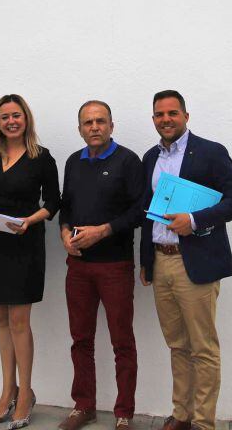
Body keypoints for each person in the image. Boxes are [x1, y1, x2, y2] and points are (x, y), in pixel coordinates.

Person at [138, 90, 232, 430]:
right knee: (177, 345)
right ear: (153, 119)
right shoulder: (149, 158)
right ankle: (181, 414)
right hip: (161, 260)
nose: (166, 119)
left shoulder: (211, 152)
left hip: (195, 262)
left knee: (203, 348)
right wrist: (145, 260)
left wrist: (196, 219)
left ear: (186, 115)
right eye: (159, 114)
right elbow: (147, 212)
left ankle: (203, 422)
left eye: (172, 113)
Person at [0, 94, 60, 430]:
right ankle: (8, 389)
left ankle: (26, 394)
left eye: (16, 115)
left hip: (24, 244)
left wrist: (31, 220)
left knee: (20, 321)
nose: (11, 121)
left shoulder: (42, 157)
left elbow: (54, 202)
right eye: (4, 117)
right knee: (1, 318)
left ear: (26, 119)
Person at [57, 101, 145, 430]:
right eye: (87, 122)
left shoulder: (128, 161)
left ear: (111, 125)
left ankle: (124, 413)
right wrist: (65, 232)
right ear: (79, 128)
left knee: (122, 342)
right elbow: (66, 208)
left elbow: (140, 211)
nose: (94, 127)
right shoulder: (72, 162)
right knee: (80, 339)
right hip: (78, 267)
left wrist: (104, 231)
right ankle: (84, 406)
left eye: (100, 121)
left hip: (115, 266)